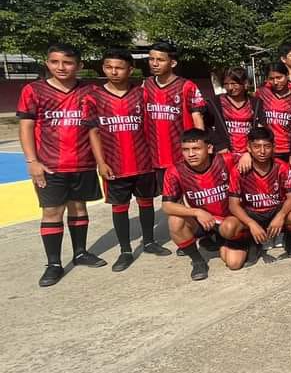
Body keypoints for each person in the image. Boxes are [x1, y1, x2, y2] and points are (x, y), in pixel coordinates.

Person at [18, 43, 106, 287]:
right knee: (52, 212)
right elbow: (26, 127)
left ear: (79, 65)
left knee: (79, 208)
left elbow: (96, 128)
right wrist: (32, 161)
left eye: (67, 62)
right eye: (55, 62)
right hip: (50, 165)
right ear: (47, 63)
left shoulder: (89, 92)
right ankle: (54, 264)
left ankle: (80, 253)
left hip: (82, 163)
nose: (61, 67)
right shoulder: (33, 90)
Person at [87, 48, 171, 272]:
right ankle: (125, 251)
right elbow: (93, 132)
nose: (114, 72)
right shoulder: (94, 97)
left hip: (144, 162)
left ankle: (149, 242)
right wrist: (101, 163)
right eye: (109, 67)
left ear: (130, 70)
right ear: (103, 68)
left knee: (146, 202)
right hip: (114, 165)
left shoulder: (141, 94)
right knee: (119, 207)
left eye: (119, 67)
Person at [161, 129, 240, 280]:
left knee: (234, 263)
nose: (191, 154)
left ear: (209, 148)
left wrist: (247, 156)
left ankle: (225, 240)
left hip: (229, 220)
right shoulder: (174, 171)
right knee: (175, 220)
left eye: (196, 148)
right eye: (186, 150)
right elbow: (167, 206)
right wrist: (197, 212)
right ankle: (198, 261)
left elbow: (256, 157)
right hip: (203, 221)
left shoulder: (226, 160)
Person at [220, 127, 291, 261]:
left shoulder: (282, 167)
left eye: (267, 146)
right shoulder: (239, 170)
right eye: (257, 147)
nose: (262, 151)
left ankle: (288, 238)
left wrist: (281, 216)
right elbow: (233, 205)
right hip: (252, 212)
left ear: (274, 147)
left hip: (275, 210)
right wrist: (251, 223)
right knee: (227, 228)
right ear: (249, 147)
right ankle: (252, 240)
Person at [142, 40, 206, 187]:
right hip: (155, 156)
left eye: (160, 60)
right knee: (166, 195)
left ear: (173, 63)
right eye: (151, 59)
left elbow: (197, 118)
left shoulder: (187, 86)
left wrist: (201, 147)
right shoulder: (146, 84)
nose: (154, 64)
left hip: (182, 156)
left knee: (186, 194)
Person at [255, 62, 291, 169]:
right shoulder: (262, 93)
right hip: (266, 149)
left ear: (287, 76)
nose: (275, 82)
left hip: (287, 150)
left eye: (279, 77)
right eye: (271, 79)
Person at [209, 67, 257, 169]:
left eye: (234, 84)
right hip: (225, 155)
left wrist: (250, 152)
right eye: (226, 84)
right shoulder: (215, 103)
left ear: (245, 83)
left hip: (249, 156)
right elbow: (205, 126)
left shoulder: (255, 103)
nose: (230, 87)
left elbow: (260, 130)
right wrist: (220, 145)